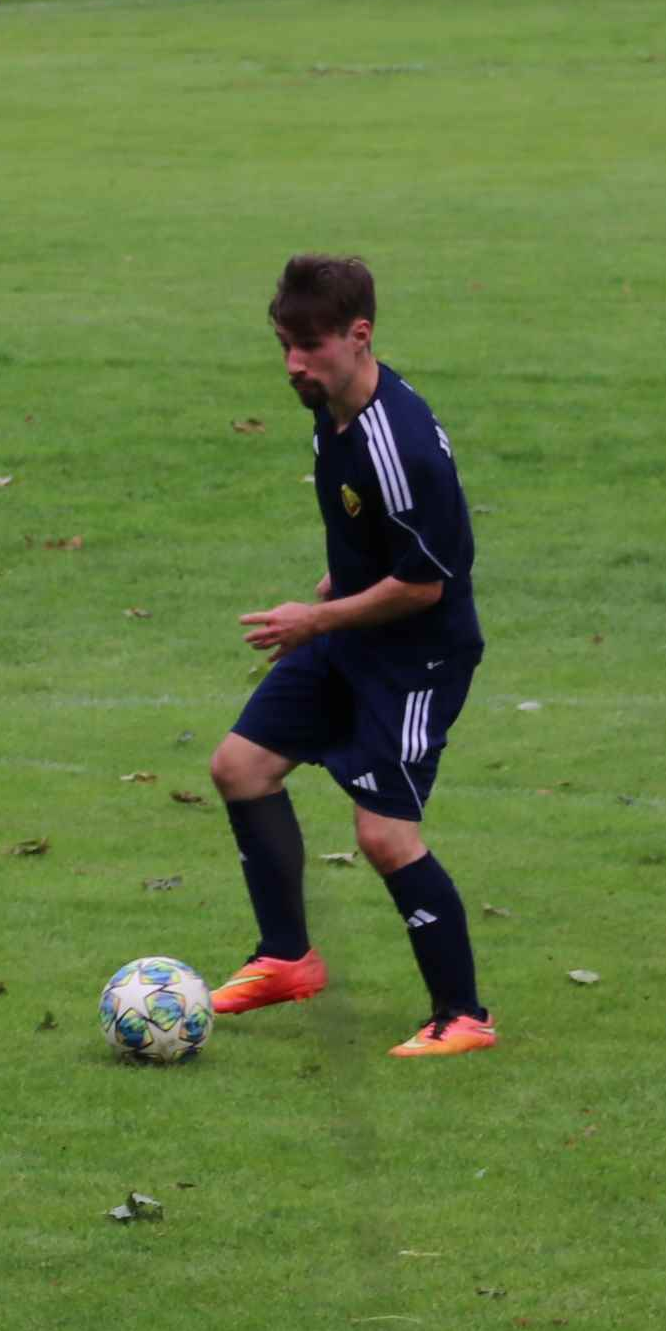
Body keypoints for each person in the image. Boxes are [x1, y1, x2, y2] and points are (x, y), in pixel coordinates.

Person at [209, 255, 494, 1058]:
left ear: (359, 335)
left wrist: (316, 618)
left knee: (385, 836)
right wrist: (336, 588)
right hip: (350, 633)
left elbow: (425, 584)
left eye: (310, 346)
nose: (293, 364)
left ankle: (464, 1016)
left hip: (416, 660)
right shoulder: (333, 409)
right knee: (241, 767)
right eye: (284, 346)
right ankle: (287, 959)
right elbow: (375, 534)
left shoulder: (402, 444)